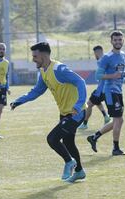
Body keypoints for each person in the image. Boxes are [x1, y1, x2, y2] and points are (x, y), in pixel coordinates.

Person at [10, 42, 87, 183]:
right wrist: (19, 101)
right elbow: (37, 91)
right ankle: (80, 171)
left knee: (52, 139)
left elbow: (80, 81)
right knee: (68, 143)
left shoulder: (59, 69)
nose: (33, 59)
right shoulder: (43, 71)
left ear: (44, 55)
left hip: (77, 112)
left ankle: (70, 162)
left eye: (35, 56)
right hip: (65, 113)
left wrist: (79, 104)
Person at [87, 30, 125, 155]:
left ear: (123, 40)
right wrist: (113, 75)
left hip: (118, 91)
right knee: (118, 119)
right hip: (109, 91)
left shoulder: (123, 55)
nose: (118, 42)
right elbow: (98, 75)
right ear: (111, 41)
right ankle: (115, 148)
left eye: (120, 40)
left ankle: (94, 137)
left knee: (119, 120)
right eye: (115, 40)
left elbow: (120, 73)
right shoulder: (107, 58)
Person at [78, 45, 110, 130]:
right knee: (96, 101)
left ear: (97, 52)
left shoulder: (101, 60)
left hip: (101, 90)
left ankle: (84, 124)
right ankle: (106, 116)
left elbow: (102, 73)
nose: (94, 55)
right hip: (106, 89)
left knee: (88, 105)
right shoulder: (107, 58)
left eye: (94, 53)